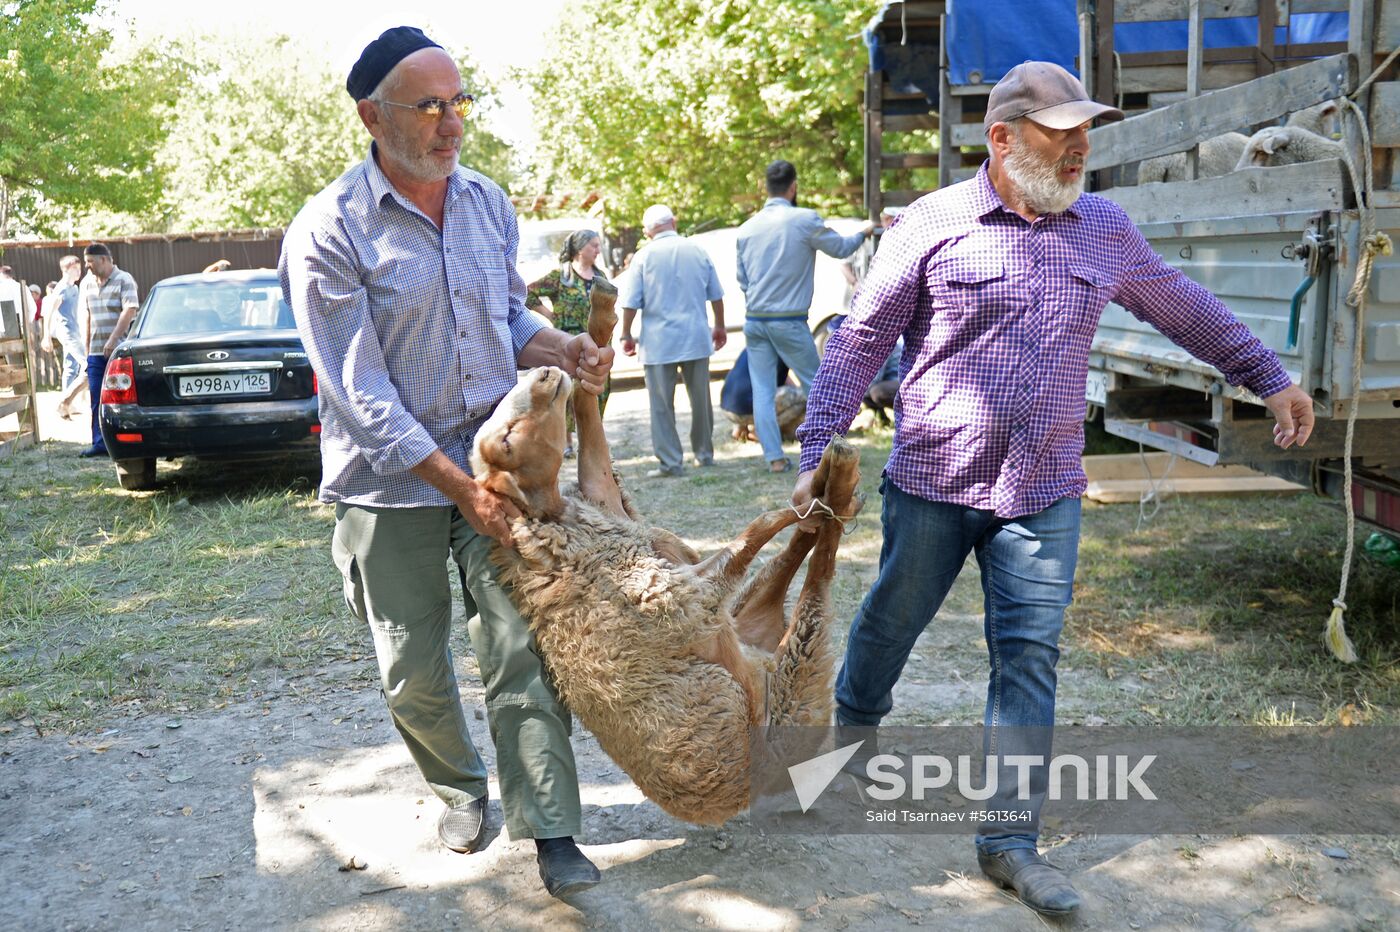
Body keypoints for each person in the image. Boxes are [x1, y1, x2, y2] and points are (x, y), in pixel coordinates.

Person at [790, 60, 1316, 918]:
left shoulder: (1103, 229)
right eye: (1060, 134)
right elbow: (860, 338)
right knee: (891, 622)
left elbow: (1179, 304)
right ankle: (849, 741)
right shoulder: (932, 222)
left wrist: (1269, 374)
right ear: (1002, 139)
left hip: (1043, 489)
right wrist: (819, 442)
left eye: (1085, 134)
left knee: (1028, 656)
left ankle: (1010, 844)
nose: (1080, 150)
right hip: (933, 478)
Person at [278, 26, 613, 899]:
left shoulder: (485, 204)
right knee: (410, 664)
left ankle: (552, 828)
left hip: (498, 472)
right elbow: (360, 392)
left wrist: (558, 343)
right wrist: (455, 486)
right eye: (428, 105)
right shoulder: (328, 231)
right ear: (370, 114)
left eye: (459, 101)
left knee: (523, 648)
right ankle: (458, 788)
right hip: (388, 487)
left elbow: (503, 318)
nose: (451, 122)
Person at [735, 160, 872, 473]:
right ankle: (828, 449)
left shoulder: (747, 228)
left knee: (763, 390)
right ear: (793, 187)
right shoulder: (804, 220)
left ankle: (774, 458)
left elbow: (742, 280)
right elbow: (840, 248)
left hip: (755, 320)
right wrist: (863, 232)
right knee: (818, 383)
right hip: (789, 319)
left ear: (765, 188)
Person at [619, 204, 725, 477]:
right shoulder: (697, 250)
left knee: (661, 405)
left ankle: (670, 462)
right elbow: (715, 295)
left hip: (659, 341)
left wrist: (626, 333)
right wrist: (720, 326)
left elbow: (631, 302)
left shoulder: (643, 257)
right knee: (701, 400)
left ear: (647, 231)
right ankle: (704, 453)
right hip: (695, 336)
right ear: (674, 222)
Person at [525, 229, 612, 456]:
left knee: (596, 390)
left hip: (595, 341)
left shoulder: (599, 276)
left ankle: (591, 440)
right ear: (579, 248)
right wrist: (550, 315)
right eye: (593, 245)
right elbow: (527, 294)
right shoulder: (561, 276)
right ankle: (567, 442)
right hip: (568, 343)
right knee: (566, 393)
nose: (597, 249)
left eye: (597, 245)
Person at [76, 243, 140, 458]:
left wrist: (113, 340)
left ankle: (124, 439)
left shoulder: (124, 279)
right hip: (95, 352)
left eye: (90, 262)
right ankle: (99, 443)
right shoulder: (87, 284)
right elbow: (87, 316)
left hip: (118, 352)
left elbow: (129, 310)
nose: (87, 267)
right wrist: (86, 350)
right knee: (96, 398)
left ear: (103, 259)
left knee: (121, 398)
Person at [43, 256, 86, 418]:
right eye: (76, 268)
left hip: (76, 332)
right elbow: (49, 312)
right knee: (87, 365)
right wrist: (46, 336)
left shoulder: (74, 288)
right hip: (67, 332)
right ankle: (63, 402)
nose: (79, 271)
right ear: (66, 270)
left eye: (80, 268)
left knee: (71, 367)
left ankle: (69, 405)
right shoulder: (61, 288)